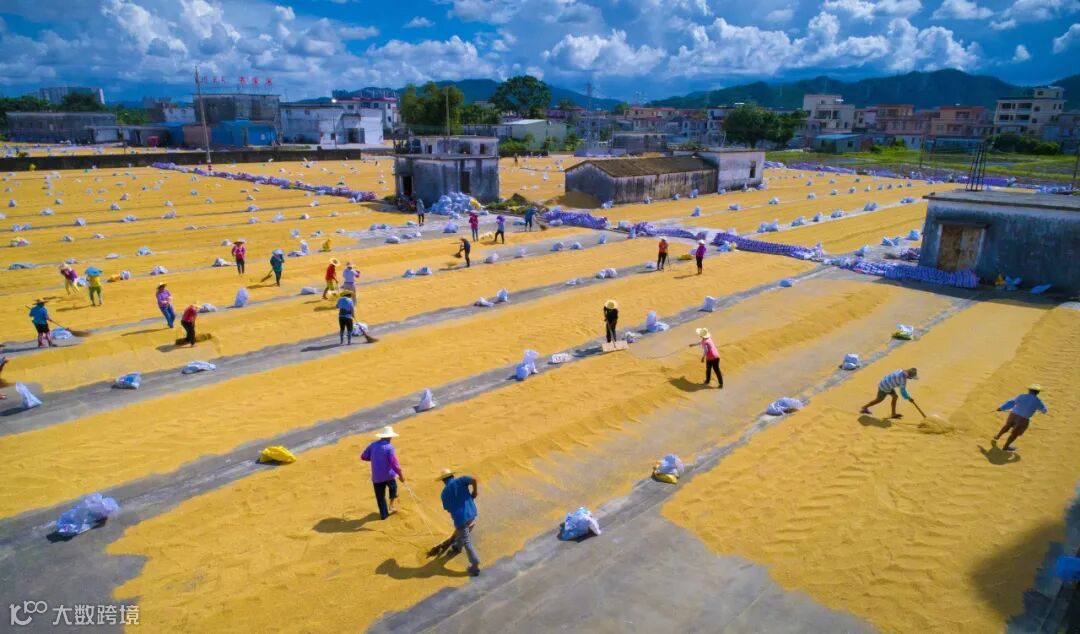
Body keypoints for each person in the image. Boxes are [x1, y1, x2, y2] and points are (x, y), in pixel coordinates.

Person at [438, 468, 481, 577]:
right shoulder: (461, 480)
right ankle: (457, 547)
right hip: (472, 512)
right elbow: (474, 480)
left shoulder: (443, 494)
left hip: (460, 519)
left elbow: (447, 509)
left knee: (467, 541)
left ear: (443, 481)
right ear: (452, 476)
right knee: (464, 532)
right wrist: (474, 492)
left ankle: (475, 565)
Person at [361, 426, 404, 520]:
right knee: (393, 488)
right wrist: (401, 475)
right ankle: (391, 505)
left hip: (377, 477)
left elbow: (363, 456)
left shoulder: (372, 445)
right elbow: (394, 464)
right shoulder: (389, 447)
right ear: (389, 437)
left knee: (380, 497)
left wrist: (374, 458)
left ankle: (384, 515)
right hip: (388, 475)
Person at [994, 384, 1048, 451]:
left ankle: (997, 436)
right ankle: (1006, 447)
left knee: (1007, 426)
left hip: (1013, 415)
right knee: (1014, 434)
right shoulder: (1038, 401)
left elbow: (1011, 402)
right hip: (1023, 419)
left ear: (1029, 390)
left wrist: (1001, 408)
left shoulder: (1021, 396)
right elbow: (1044, 411)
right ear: (1038, 392)